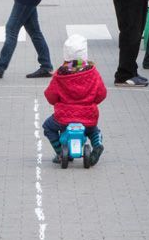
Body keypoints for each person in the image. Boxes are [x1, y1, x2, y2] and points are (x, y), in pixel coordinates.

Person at [43, 35, 107, 165]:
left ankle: (60, 152)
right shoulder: (93, 73)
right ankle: (97, 143)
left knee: (48, 127)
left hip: (64, 118)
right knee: (93, 130)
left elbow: (51, 96)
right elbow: (101, 93)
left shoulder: (60, 75)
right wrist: (92, 102)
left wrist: (57, 101)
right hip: (88, 115)